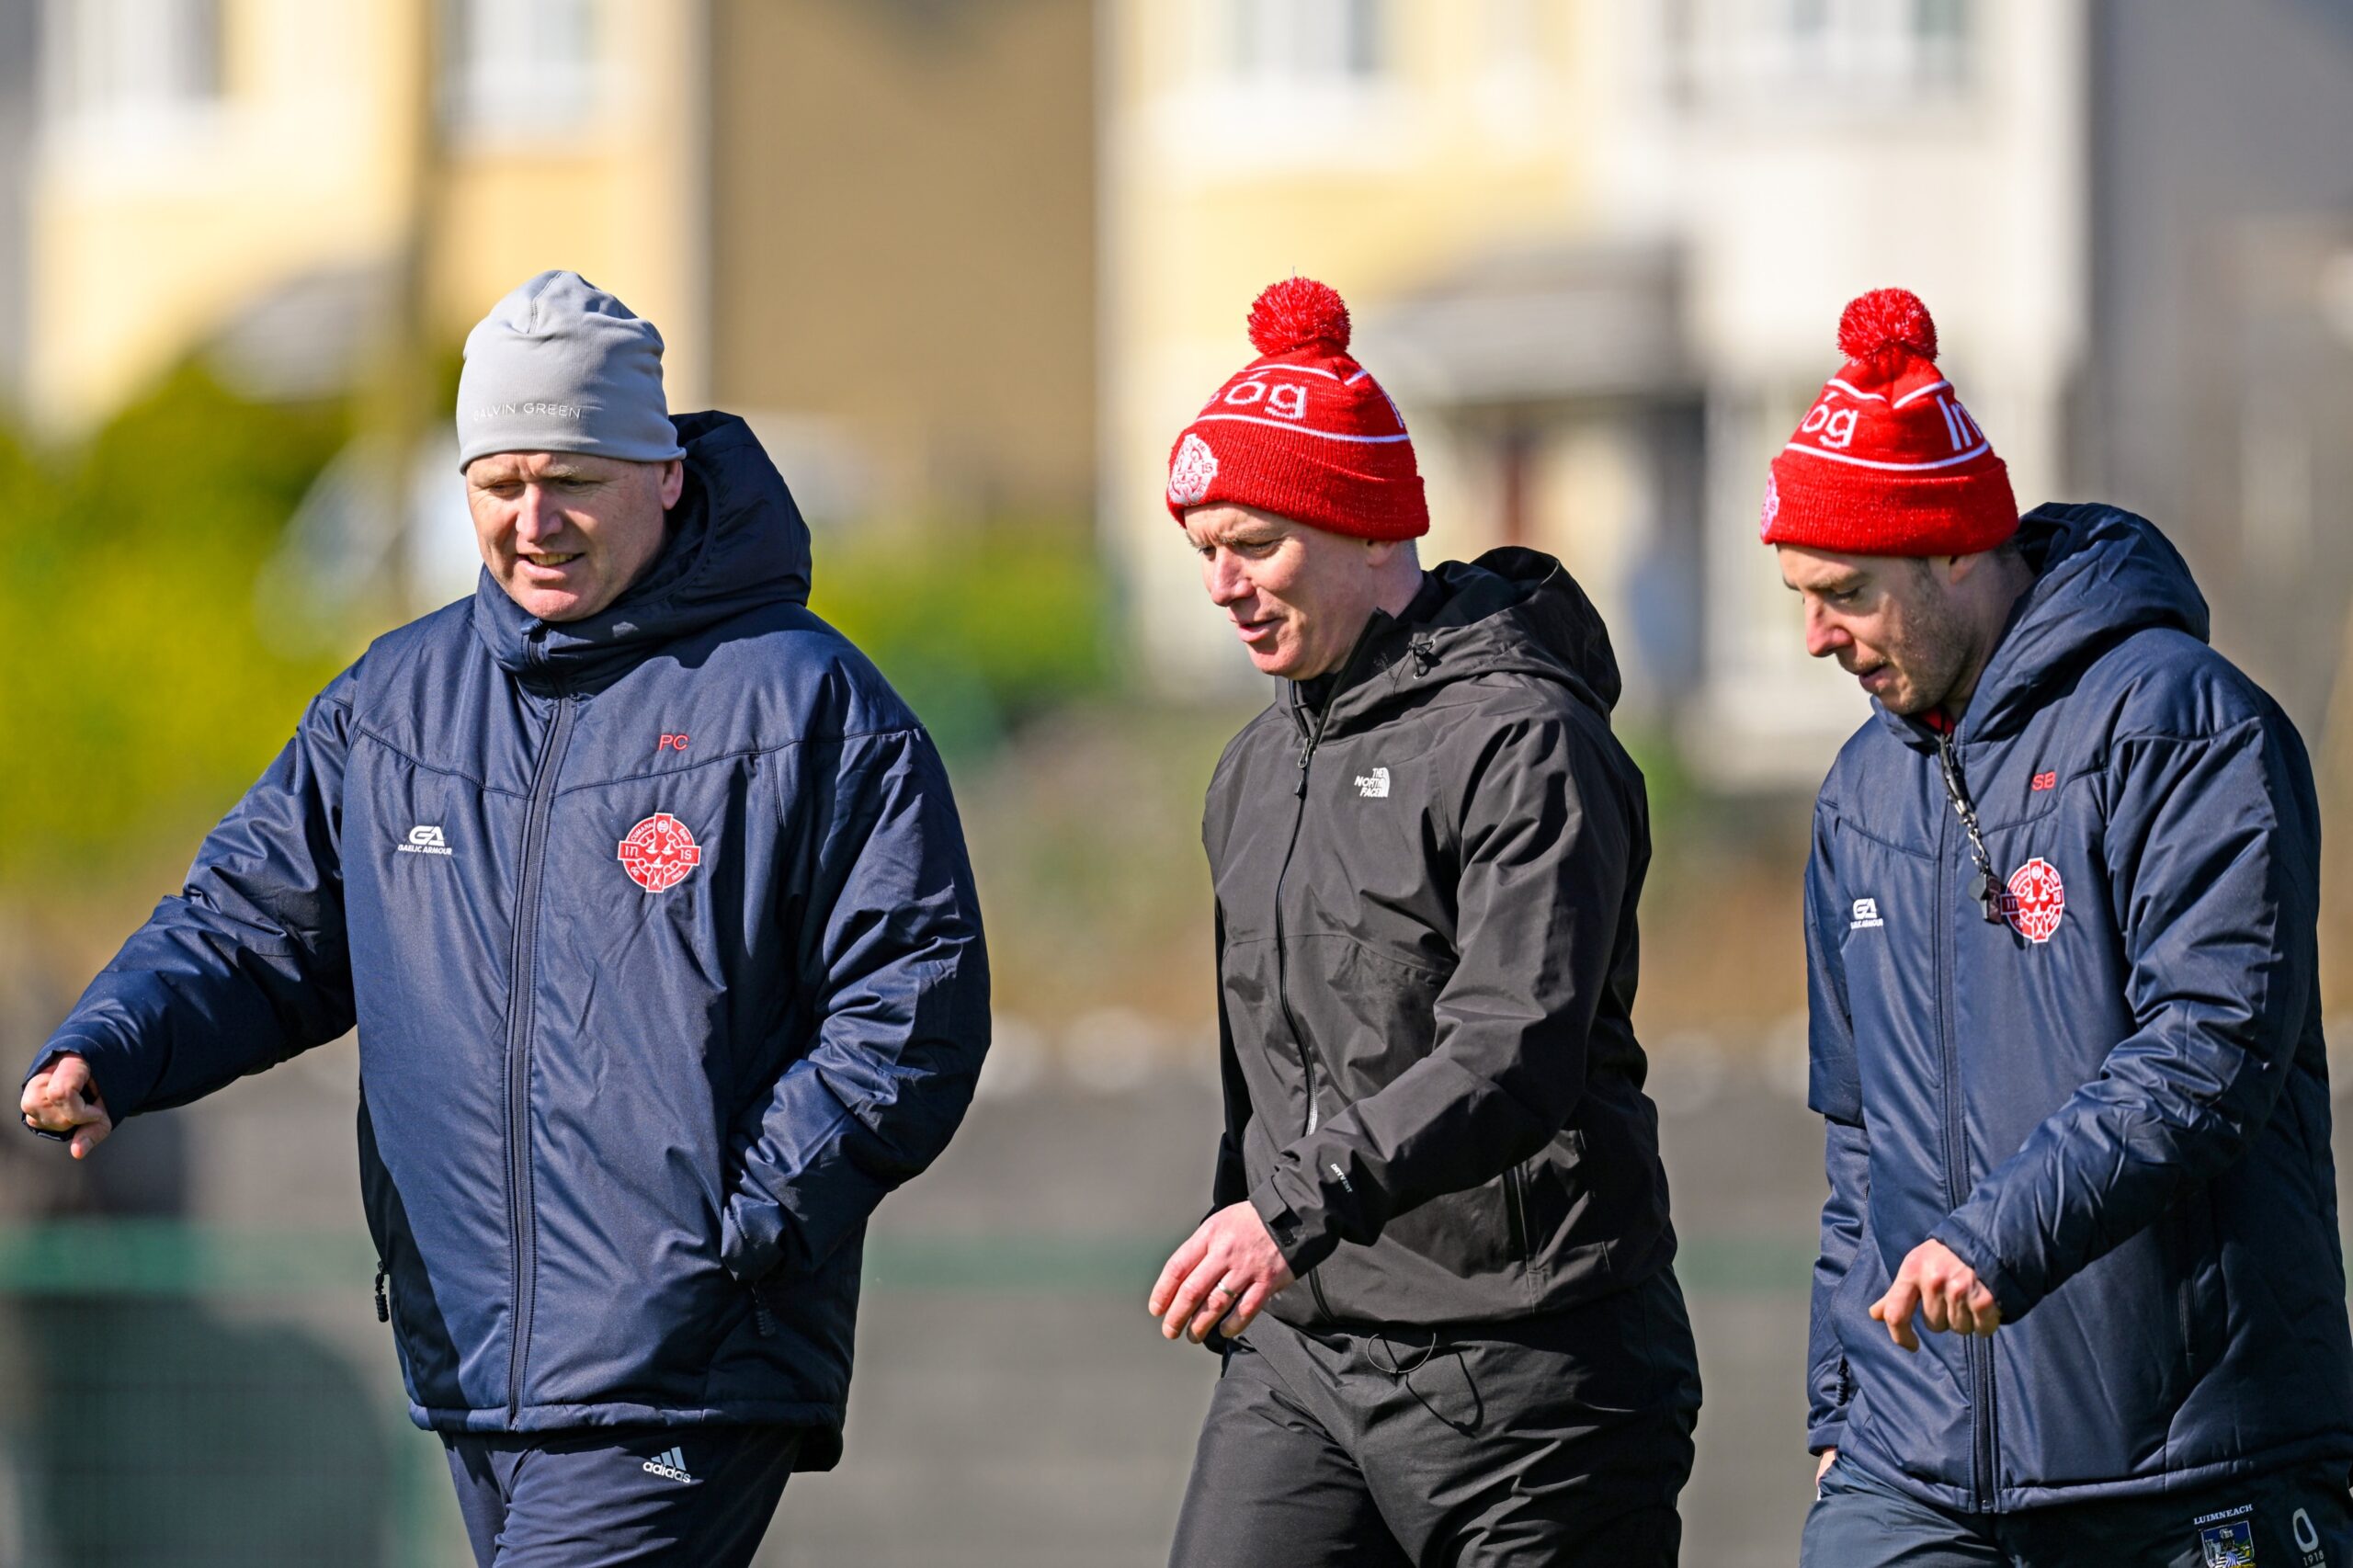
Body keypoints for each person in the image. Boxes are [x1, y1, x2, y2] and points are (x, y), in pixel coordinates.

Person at [19, 271, 991, 1567]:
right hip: (472, 1359)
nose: (534, 521)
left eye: (572, 479)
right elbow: (252, 928)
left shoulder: (810, 705)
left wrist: (740, 1221)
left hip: (689, 1361)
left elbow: (914, 1003)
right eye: (499, 481)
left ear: (665, 476)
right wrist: (114, 1043)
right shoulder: (389, 706)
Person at [1773, 288, 2353, 1566]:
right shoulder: (1860, 793)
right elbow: (1860, 1136)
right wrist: (1840, 1407)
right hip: (1911, 1470)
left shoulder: (2183, 725)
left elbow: (2208, 1049)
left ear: (1952, 553)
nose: (1816, 636)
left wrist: (1998, 1237)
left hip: (2184, 1464)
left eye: (1846, 592)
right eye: (1801, 595)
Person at [1148, 277, 1700, 1566]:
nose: (1223, 585)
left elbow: (1513, 1049)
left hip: (1534, 1369)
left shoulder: (1525, 740)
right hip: (1307, 1354)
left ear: (1365, 526)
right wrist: (1263, 1234)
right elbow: (1264, 1065)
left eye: (1254, 543)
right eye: (1204, 550)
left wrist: (1287, 1211)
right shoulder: (1252, 766)